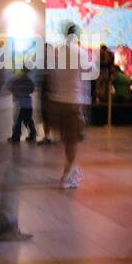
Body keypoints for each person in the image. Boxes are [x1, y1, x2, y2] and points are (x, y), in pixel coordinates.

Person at [46, 24, 90, 189]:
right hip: (74, 101)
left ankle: (69, 170)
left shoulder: (58, 52)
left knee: (67, 141)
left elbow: (52, 76)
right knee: (72, 142)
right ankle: (67, 176)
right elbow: (89, 73)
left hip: (58, 101)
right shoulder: (81, 52)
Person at [8, 67, 37, 143]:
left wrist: (16, 93)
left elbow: (10, 87)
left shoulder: (16, 79)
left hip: (19, 103)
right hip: (27, 103)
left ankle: (16, 136)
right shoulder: (29, 80)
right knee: (28, 120)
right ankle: (32, 134)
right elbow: (32, 89)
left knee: (17, 121)